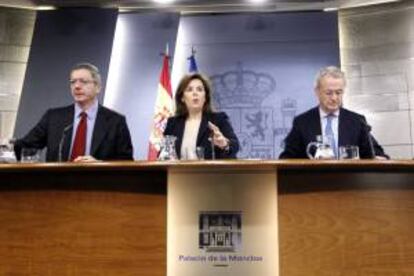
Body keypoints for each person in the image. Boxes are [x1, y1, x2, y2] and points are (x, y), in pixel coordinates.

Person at [14, 62, 133, 162]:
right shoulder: (53, 118)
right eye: (73, 82)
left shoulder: (115, 121)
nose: (77, 86)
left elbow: (126, 162)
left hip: (98, 186)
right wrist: (5, 147)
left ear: (98, 87)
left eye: (83, 82)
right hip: (57, 185)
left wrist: (99, 165)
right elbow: (24, 146)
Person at [279, 66, 387, 159]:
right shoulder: (302, 122)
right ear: (317, 92)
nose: (334, 98)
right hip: (313, 181)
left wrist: (379, 159)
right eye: (328, 93)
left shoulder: (357, 121)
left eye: (338, 92)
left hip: (350, 180)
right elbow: (287, 157)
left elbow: (376, 153)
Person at [163, 73, 239, 159]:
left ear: (205, 97)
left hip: (210, 172)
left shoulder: (218, 119)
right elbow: (164, 154)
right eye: (189, 89)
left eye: (199, 89)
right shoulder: (173, 123)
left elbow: (235, 145)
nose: (195, 93)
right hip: (179, 172)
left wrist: (224, 144)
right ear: (182, 98)